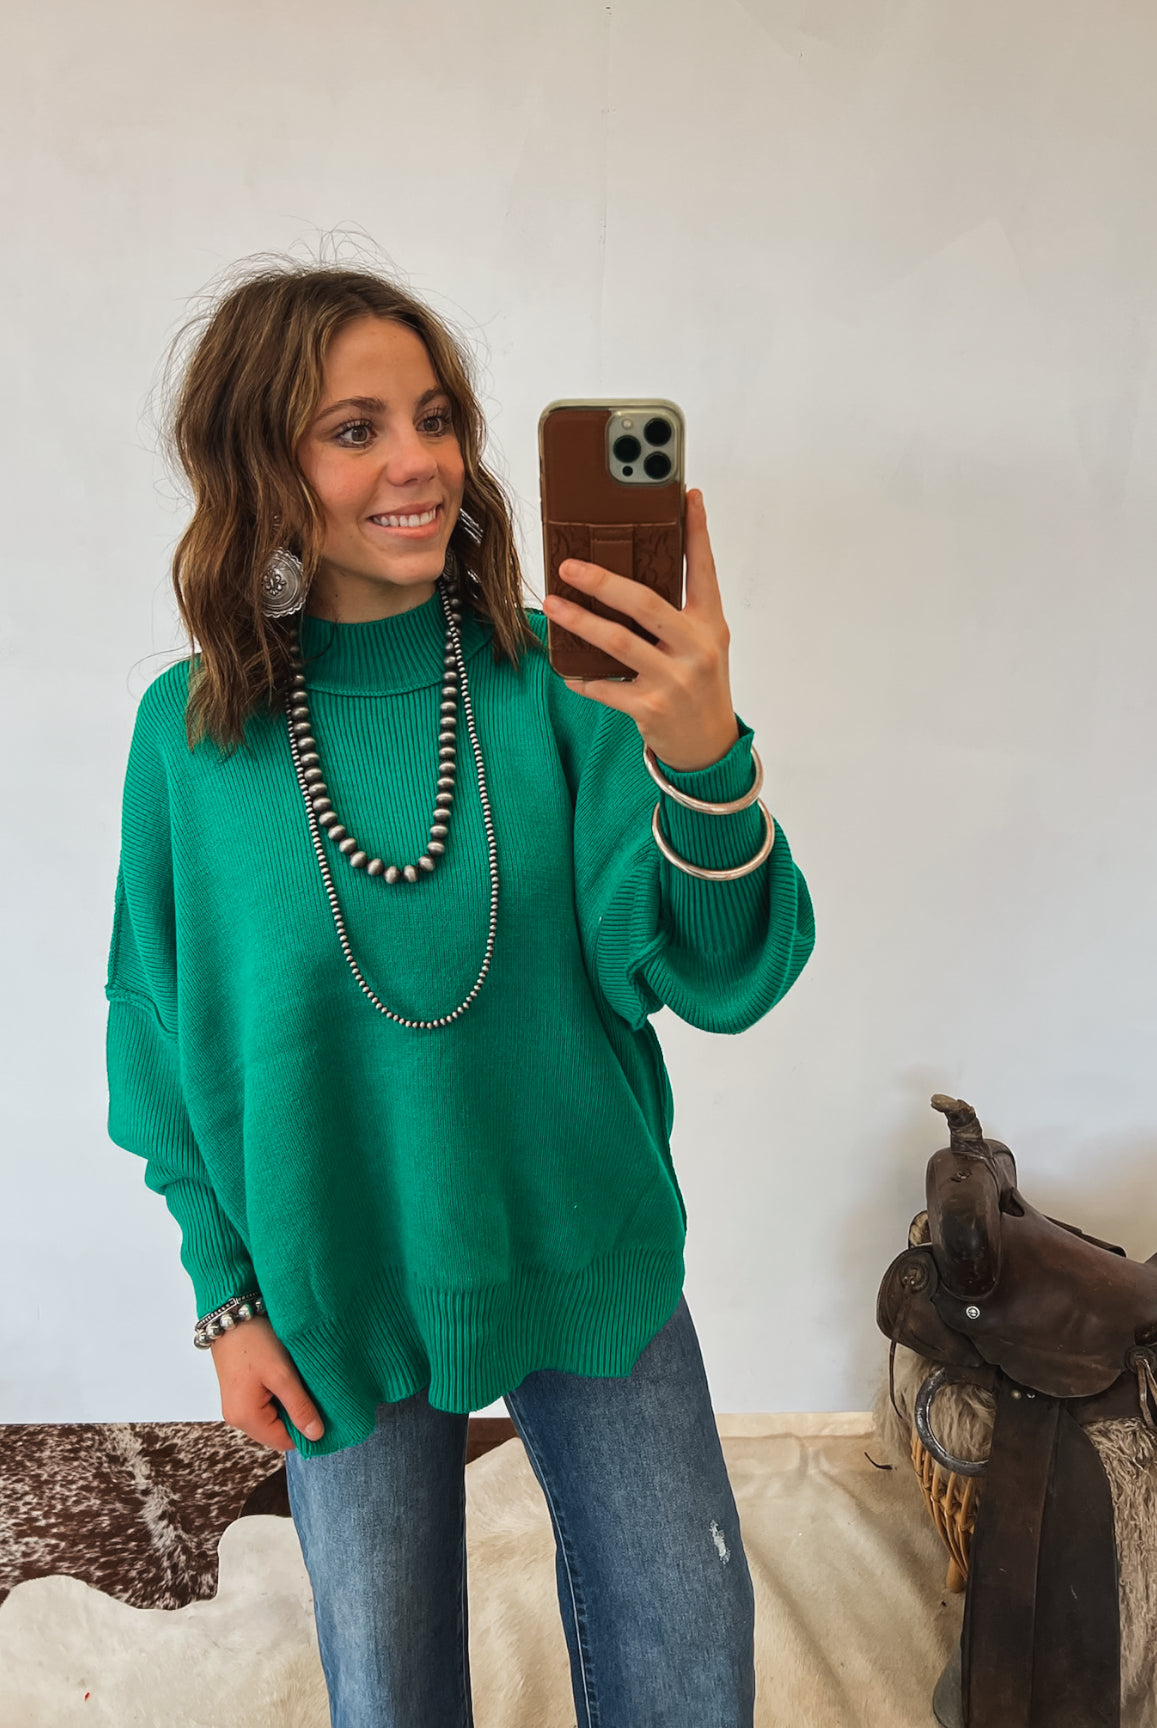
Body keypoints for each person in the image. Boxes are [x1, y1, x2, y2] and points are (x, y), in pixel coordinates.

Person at [105, 259, 815, 1728]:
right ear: (259, 465)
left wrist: (702, 754)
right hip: (333, 1278)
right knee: (387, 1688)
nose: (418, 460)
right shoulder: (189, 738)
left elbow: (723, 969)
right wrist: (224, 1299)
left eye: (433, 418)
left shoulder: (563, 684)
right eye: (354, 429)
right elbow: (156, 1032)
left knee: (692, 1658)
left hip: (581, 1241)